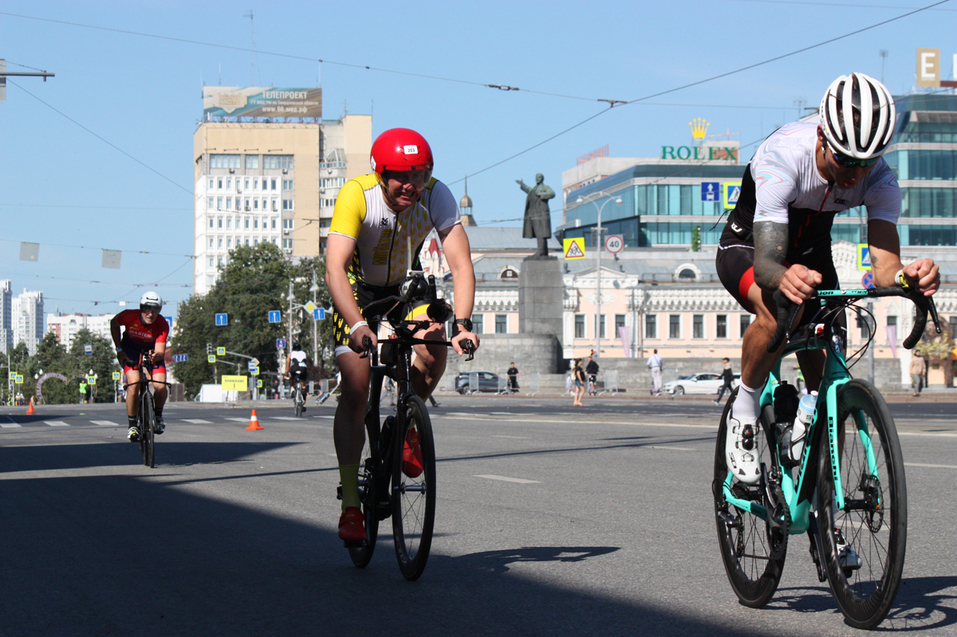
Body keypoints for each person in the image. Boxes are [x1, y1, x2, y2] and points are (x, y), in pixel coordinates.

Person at [716, 73, 940, 485]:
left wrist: (909, 277)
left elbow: (886, 269)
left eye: (866, 162)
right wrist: (785, 275)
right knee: (779, 307)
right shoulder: (783, 157)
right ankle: (743, 413)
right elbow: (768, 265)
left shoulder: (881, 179)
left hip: (812, 258)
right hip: (750, 248)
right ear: (822, 137)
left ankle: (817, 482)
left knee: (831, 349)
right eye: (846, 161)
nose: (856, 173)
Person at [326, 128, 480, 543]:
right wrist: (358, 324)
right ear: (380, 172)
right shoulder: (357, 195)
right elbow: (335, 268)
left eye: (421, 174)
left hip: (404, 288)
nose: (412, 184)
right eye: (402, 176)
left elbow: (461, 266)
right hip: (358, 291)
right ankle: (351, 506)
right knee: (357, 388)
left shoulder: (436, 194)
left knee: (434, 341)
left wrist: (463, 324)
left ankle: (407, 427)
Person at [110, 291, 170, 442]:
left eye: (155, 309)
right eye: (147, 309)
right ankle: (132, 425)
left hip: (152, 353)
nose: (151, 314)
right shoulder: (128, 316)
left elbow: (161, 351)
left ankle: (157, 415)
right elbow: (114, 324)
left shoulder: (162, 323)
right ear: (141, 308)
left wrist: (155, 356)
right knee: (134, 383)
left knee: (160, 386)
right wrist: (119, 349)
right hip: (130, 351)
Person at [516, 173, 555, 257]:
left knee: (542, 233)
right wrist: (522, 184)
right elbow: (528, 190)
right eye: (536, 177)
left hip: (542, 213)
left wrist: (542, 195)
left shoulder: (545, 187)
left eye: (539, 177)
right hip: (533, 214)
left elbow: (552, 193)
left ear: (542, 179)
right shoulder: (534, 189)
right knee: (538, 233)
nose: (537, 179)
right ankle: (543, 251)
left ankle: (542, 251)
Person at [286, 341, 308, 412]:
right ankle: (304, 402)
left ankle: (292, 389)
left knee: (291, 377)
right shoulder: (304, 353)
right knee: (303, 385)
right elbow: (306, 363)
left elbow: (288, 365)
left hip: (294, 368)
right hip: (303, 368)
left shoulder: (290, 354)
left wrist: (286, 373)